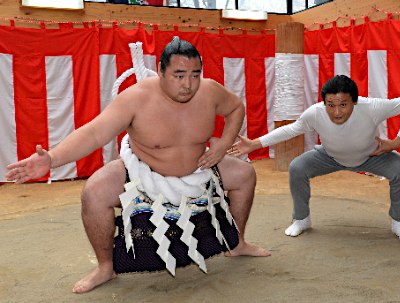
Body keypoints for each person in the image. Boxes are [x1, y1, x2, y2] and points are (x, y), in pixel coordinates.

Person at [6, 36, 270, 294]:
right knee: (94, 192)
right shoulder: (135, 99)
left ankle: (237, 243)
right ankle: (106, 267)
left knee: (245, 174)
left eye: (195, 74)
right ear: (161, 71)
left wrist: (223, 145)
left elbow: (236, 108)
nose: (188, 84)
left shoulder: (210, 91)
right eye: (179, 75)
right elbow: (94, 133)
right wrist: (52, 159)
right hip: (144, 173)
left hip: (199, 170)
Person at [229, 75, 400, 246]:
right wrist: (254, 144)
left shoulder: (372, 107)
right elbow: (291, 129)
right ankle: (301, 219)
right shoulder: (315, 113)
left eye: (343, 105)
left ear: (354, 102)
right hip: (329, 156)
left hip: (371, 157)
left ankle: (399, 223)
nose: (337, 112)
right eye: (331, 105)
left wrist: (397, 142)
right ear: (324, 103)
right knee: (297, 167)